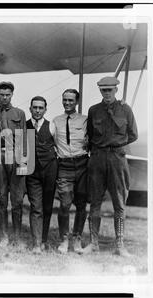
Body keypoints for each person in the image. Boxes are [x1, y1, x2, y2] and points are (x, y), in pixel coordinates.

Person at [83, 76, 138, 257]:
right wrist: (101, 146)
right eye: (103, 90)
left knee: (119, 203)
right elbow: (90, 135)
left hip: (117, 158)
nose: (107, 93)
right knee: (95, 202)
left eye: (110, 90)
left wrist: (117, 143)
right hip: (97, 158)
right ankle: (94, 244)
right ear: (100, 91)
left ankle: (120, 245)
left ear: (116, 90)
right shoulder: (94, 110)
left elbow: (133, 134)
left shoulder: (125, 109)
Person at [0, 81, 27, 248]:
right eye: (2, 95)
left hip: (15, 157)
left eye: (8, 94)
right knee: (1, 198)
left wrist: (23, 162)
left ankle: (17, 237)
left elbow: (24, 140)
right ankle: (4, 237)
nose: (5, 97)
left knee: (17, 200)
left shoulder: (20, 114)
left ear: (12, 95)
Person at [51, 89, 88, 254]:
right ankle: (64, 239)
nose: (67, 103)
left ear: (77, 102)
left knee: (81, 205)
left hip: (82, 165)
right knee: (64, 204)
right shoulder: (56, 121)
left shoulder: (86, 120)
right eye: (65, 100)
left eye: (71, 100)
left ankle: (77, 238)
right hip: (64, 166)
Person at [26, 96, 58, 254]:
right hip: (32, 174)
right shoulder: (24, 126)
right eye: (35, 107)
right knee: (36, 207)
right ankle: (36, 243)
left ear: (45, 109)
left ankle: (44, 240)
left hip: (50, 171)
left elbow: (59, 148)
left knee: (47, 207)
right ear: (30, 109)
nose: (37, 110)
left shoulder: (52, 126)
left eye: (40, 108)